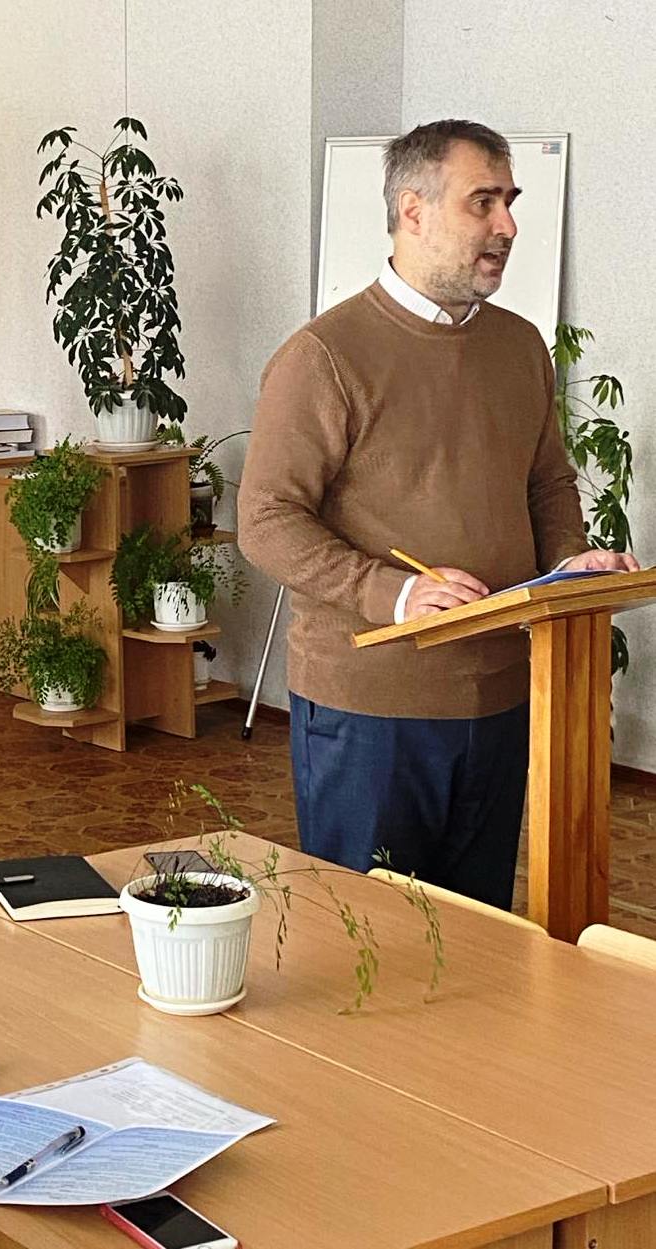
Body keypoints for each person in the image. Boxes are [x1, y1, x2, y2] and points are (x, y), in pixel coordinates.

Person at [238, 119, 637, 909]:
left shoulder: (520, 346)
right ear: (412, 211)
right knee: (368, 935)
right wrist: (393, 593)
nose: (507, 225)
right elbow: (266, 518)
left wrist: (570, 560)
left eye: (509, 201)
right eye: (481, 202)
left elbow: (546, 481)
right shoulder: (322, 356)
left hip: (504, 695)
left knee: (478, 930)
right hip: (370, 706)